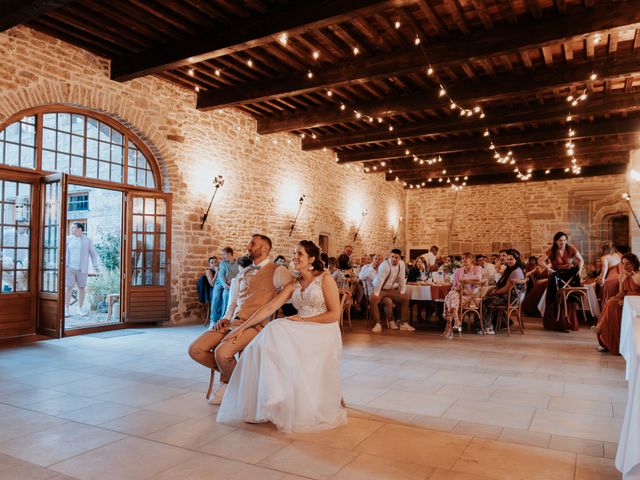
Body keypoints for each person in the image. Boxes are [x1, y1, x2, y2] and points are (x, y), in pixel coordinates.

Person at [217, 240, 347, 433]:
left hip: (322, 329)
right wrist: (242, 328)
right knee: (271, 332)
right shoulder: (294, 283)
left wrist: (303, 322)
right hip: (299, 326)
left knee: (277, 329)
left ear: (311, 258)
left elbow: (334, 315)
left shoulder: (324, 279)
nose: (295, 257)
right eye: (294, 253)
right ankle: (272, 396)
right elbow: (270, 307)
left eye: (299, 254)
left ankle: (279, 396)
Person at [188, 234, 294, 405]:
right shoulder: (244, 271)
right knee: (195, 349)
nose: (248, 246)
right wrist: (225, 317)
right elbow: (234, 300)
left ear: (265, 248)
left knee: (222, 352)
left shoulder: (279, 271)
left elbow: (293, 293)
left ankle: (227, 384)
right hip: (233, 320)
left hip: (256, 325)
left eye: (252, 243)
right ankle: (237, 378)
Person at [593, 253, 640, 355]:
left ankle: (600, 327)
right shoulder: (622, 275)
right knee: (610, 302)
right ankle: (605, 339)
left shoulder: (639, 275)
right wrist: (614, 297)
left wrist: (634, 278)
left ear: (634, 264)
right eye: (622, 264)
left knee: (612, 306)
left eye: (628, 264)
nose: (625, 266)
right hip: (627, 300)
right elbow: (622, 293)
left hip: (636, 303)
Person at [539, 231, 585, 331]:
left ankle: (569, 323)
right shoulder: (552, 250)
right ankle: (557, 324)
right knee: (556, 299)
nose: (563, 242)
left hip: (568, 276)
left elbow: (581, 260)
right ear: (556, 241)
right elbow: (540, 261)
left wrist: (580, 269)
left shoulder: (570, 248)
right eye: (560, 240)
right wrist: (548, 268)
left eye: (564, 240)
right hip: (556, 276)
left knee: (569, 298)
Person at [370, 248, 414, 333]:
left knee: (405, 298)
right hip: (380, 288)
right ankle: (377, 324)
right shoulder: (384, 265)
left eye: (396, 257)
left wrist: (402, 292)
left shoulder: (401, 264)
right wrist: (376, 294)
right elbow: (379, 281)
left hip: (390, 289)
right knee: (373, 299)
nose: (394, 259)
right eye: (392, 256)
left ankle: (403, 323)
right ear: (390, 256)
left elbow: (402, 280)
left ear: (400, 258)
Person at [482, 249, 525, 334]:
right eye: (508, 259)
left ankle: (487, 327)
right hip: (509, 296)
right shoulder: (511, 269)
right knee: (487, 298)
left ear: (517, 260)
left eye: (511, 259)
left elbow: (506, 288)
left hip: (511, 299)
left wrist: (494, 292)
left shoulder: (516, 272)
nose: (509, 261)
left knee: (485, 302)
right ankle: (500, 323)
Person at [442, 252, 483, 338]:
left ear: (472, 260)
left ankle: (449, 327)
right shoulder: (458, 271)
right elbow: (454, 285)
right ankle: (456, 319)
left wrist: (464, 280)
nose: (464, 260)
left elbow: (478, 278)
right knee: (452, 294)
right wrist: (457, 288)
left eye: (466, 258)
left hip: (470, 297)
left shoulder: (477, 268)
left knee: (449, 298)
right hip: (458, 294)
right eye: (463, 258)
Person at [65, 222, 99, 316]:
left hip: (82, 268)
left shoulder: (87, 240)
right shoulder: (67, 239)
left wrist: (95, 266)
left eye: (74, 228)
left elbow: (93, 253)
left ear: (80, 229)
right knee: (69, 287)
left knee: (82, 287)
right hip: (69, 267)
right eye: (71, 228)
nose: (71, 229)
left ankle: (80, 309)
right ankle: (66, 309)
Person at [218, 256, 252, 322]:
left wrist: (226, 318)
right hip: (255, 314)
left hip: (241, 314)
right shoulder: (257, 275)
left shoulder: (236, 280)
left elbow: (232, 302)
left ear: (240, 266)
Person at [211, 247, 239, 325]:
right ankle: (213, 320)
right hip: (220, 283)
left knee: (226, 295)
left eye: (224, 255)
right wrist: (225, 285)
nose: (223, 257)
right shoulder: (223, 263)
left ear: (229, 254)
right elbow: (221, 276)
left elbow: (239, 274)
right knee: (216, 296)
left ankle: (225, 318)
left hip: (231, 284)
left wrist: (232, 281)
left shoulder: (237, 264)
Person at [598, 241, 622, 307]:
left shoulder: (604, 257)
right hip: (621, 277)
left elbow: (605, 268)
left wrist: (602, 280)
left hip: (611, 279)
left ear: (603, 249)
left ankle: (607, 311)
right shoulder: (619, 255)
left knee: (607, 297)